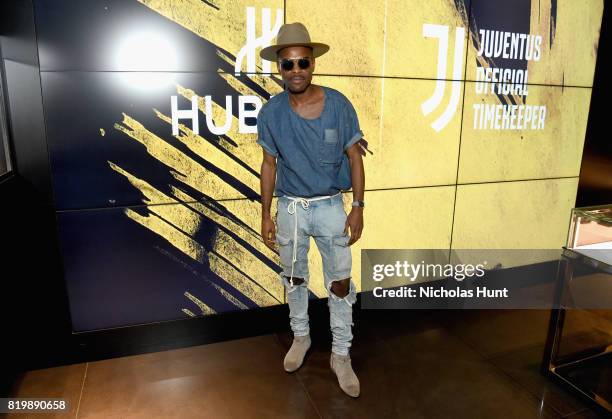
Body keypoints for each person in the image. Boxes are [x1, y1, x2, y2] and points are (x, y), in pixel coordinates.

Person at [256, 22, 366, 398]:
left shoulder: (338, 104)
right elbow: (269, 164)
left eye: (303, 62)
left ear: (313, 63)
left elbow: (355, 156)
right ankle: (300, 337)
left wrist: (358, 208)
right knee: (294, 279)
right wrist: (265, 213)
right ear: (279, 68)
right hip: (291, 209)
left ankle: (340, 353)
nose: (296, 70)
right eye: (288, 64)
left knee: (339, 282)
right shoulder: (271, 113)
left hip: (332, 207)